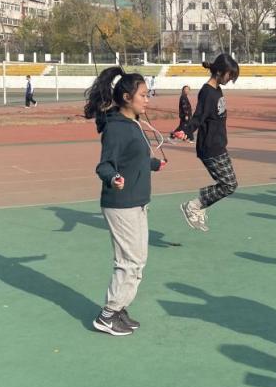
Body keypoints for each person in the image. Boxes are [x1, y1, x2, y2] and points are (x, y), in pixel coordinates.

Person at [84, 66, 164, 336]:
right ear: (127, 98)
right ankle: (107, 315)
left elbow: (134, 156)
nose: (147, 99)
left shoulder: (132, 123)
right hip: (121, 203)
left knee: (138, 259)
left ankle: (119, 309)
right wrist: (114, 177)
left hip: (137, 201)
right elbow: (104, 165)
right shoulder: (116, 128)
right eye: (143, 95)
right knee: (129, 260)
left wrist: (153, 164)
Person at [173, 54, 240, 232]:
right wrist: (186, 131)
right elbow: (199, 116)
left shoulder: (217, 89)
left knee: (229, 184)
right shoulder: (207, 92)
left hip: (219, 144)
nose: (230, 79)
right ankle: (193, 206)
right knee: (229, 184)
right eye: (230, 75)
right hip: (210, 146)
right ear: (219, 72)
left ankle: (198, 206)